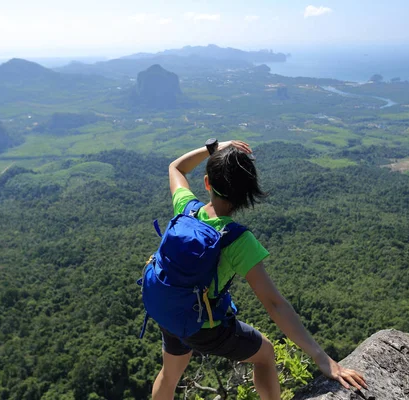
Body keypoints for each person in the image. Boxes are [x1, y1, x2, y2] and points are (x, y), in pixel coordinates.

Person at [152, 140, 367, 400]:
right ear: (247, 195)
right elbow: (275, 305)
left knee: (170, 372)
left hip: (165, 307)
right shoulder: (237, 241)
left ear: (207, 183)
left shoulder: (186, 209)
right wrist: (322, 358)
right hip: (200, 325)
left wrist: (214, 148)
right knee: (264, 354)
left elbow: (176, 168)